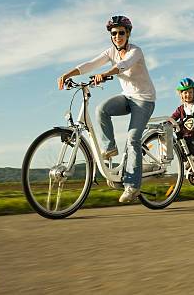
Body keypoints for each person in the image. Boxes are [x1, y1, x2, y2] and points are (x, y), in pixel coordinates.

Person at [57, 15, 156, 203]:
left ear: (128, 34)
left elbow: (122, 65)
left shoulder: (136, 51)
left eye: (121, 33)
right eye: (114, 33)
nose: (117, 36)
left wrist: (105, 74)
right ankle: (109, 149)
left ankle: (132, 186)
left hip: (144, 100)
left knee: (132, 138)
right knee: (102, 109)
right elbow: (90, 64)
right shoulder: (110, 51)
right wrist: (67, 74)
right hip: (128, 97)